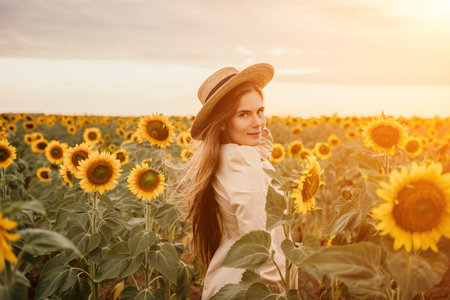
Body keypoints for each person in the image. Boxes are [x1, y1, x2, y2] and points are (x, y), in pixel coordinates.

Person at [184, 63, 294, 299]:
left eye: (259, 111)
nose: (258, 122)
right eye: (243, 114)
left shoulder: (225, 155)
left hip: (232, 276)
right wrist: (275, 289)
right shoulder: (242, 159)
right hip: (253, 285)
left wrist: (259, 156)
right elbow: (259, 241)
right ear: (223, 122)